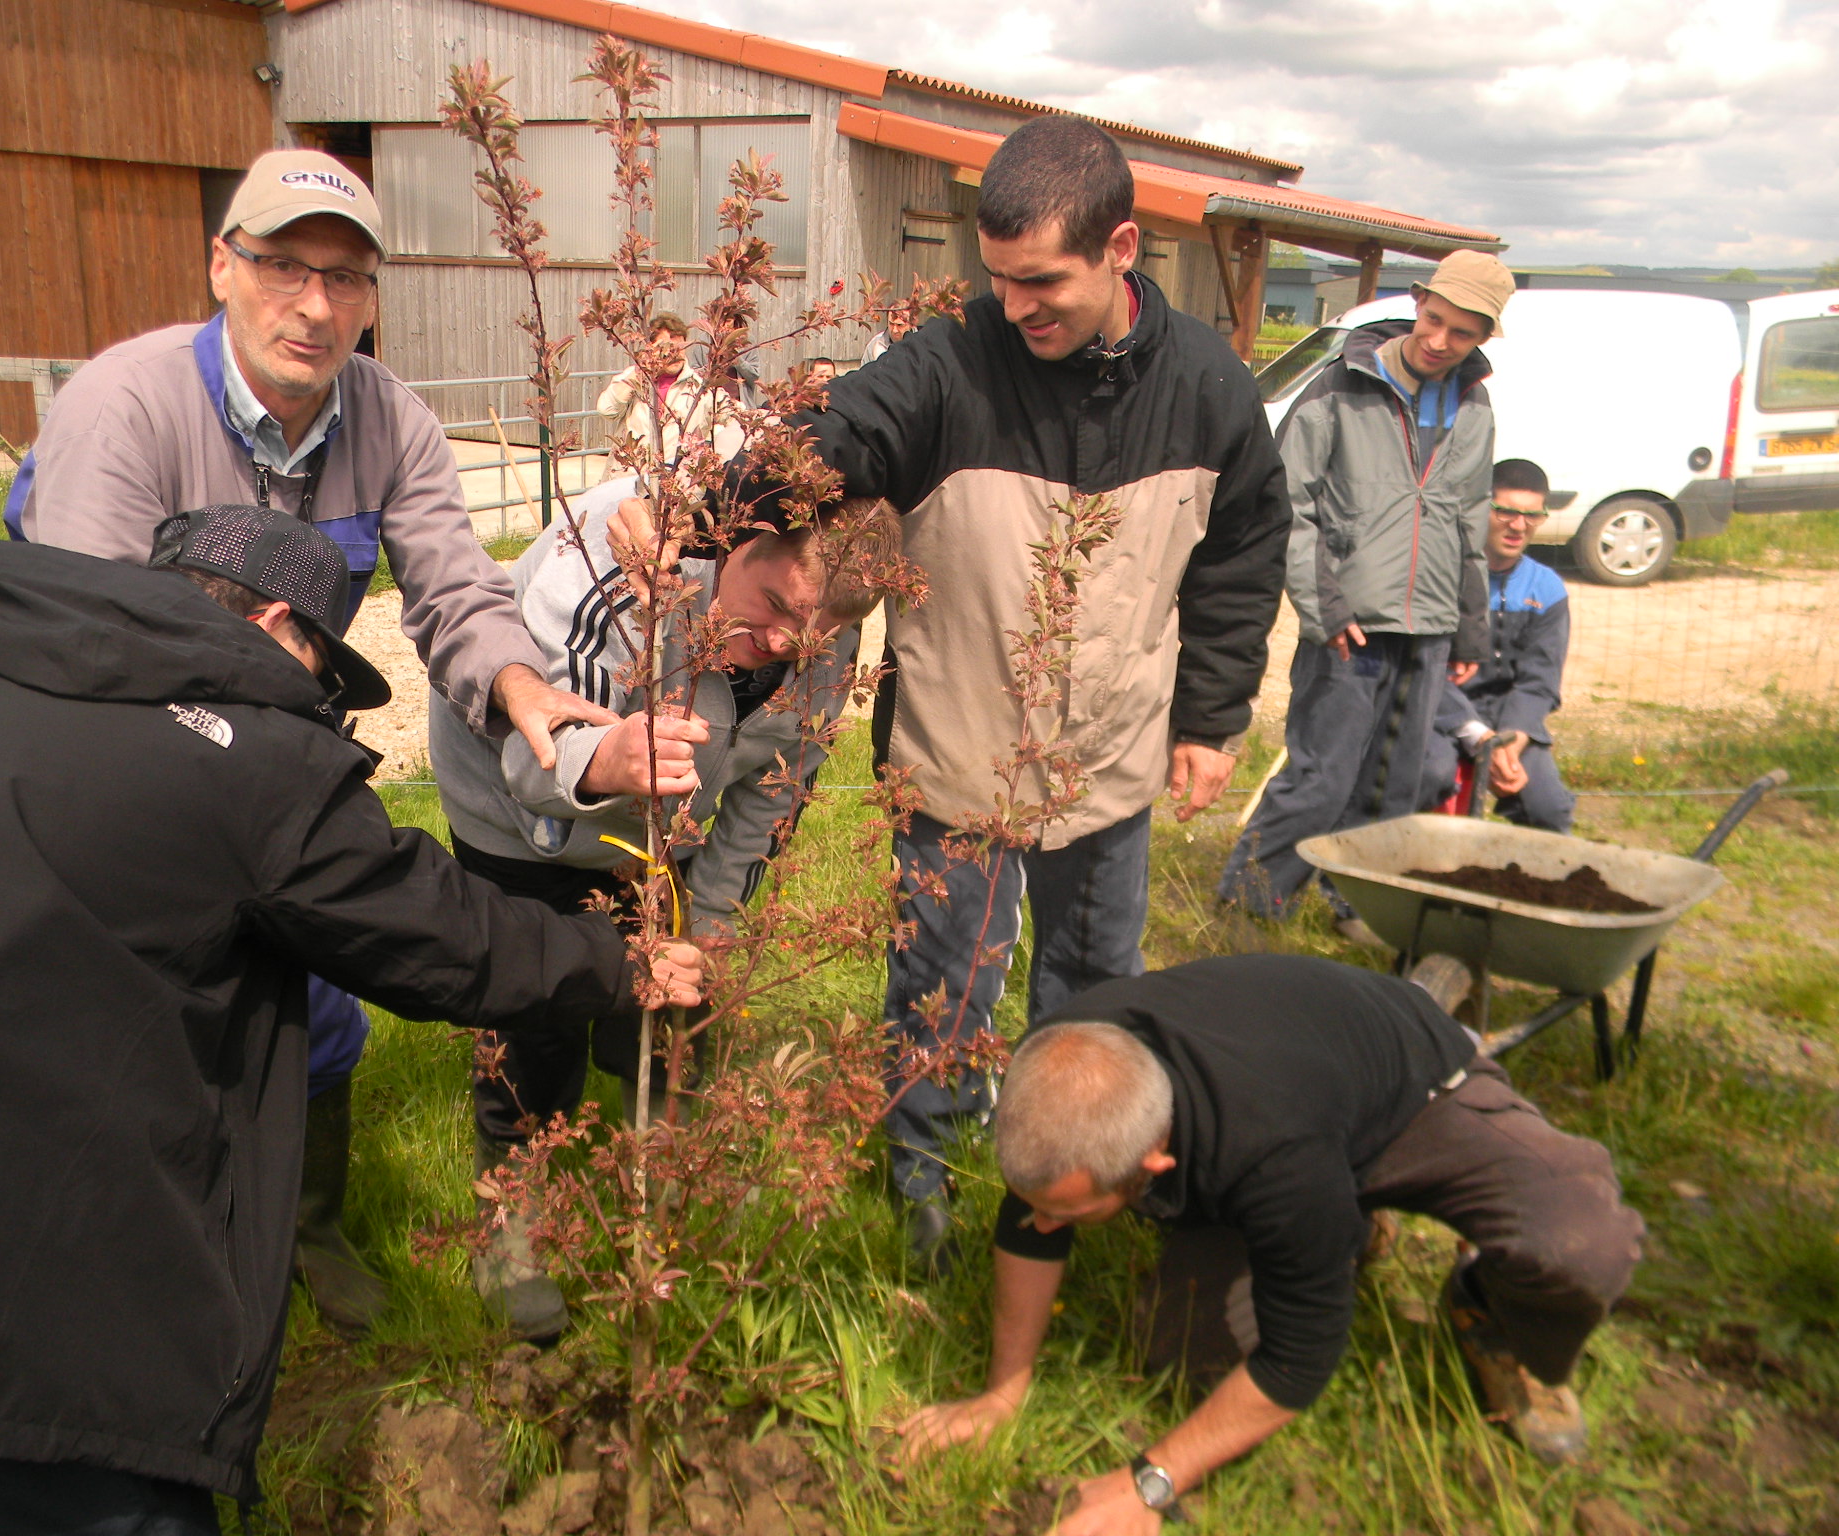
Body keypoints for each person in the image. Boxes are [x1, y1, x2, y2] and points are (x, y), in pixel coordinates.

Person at [0, 507, 702, 1535]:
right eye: (319, 676)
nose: (312, 708)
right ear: (277, 625)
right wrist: (625, 960)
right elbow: (450, 940)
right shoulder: (250, 764)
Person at [621, 117, 1289, 1268]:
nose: (1017, 307)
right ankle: (922, 1170)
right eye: (998, 281)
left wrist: (1211, 721)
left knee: (1093, 985)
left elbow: (1238, 562)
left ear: (1120, 247)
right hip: (956, 752)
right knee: (945, 981)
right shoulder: (947, 364)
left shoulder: (1209, 389)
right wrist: (712, 511)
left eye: (1042, 283)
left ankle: (1069, 1172)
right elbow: (833, 440)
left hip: (1112, 757)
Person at [2, 148, 615, 1332]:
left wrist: (522, 689)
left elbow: (453, 586)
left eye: (344, 278)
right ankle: (149, 1254)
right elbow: (82, 640)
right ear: (221, 268)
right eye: (283, 266)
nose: (314, 304)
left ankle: (308, 1229)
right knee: (149, 1013)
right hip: (117, 751)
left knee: (316, 1002)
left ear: (371, 299)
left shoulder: (387, 420)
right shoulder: (125, 408)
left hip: (273, 757)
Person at [900, 956, 1644, 1533]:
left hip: (1414, 1087)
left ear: (1153, 1164)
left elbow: (1302, 1355)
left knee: (1581, 1245)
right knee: (1186, 1355)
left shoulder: (1268, 1151)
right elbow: (1034, 1215)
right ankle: (1344, 1230)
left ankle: (1485, 1306)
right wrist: (1001, 1393)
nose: (1050, 1225)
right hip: (1295, 1102)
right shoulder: (1063, 1069)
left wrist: (1149, 1482)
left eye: (1073, 1211)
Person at [429, 476, 899, 1338]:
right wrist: (606, 760)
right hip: (516, 816)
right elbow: (529, 755)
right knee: (534, 1019)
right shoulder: (606, 579)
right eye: (772, 605)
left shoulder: (822, 639)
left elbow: (772, 791)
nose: (779, 643)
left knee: (675, 1003)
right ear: (738, 543)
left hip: (664, 827)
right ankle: (515, 1219)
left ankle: (662, 1179)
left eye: (815, 633)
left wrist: (711, 931)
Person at [1219, 250, 1515, 931]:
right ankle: (1249, 901)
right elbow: (1287, 504)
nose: (1440, 342)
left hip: (1430, 624)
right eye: (1434, 320)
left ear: (1484, 338)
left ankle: (1354, 900)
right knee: (1323, 777)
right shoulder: (1340, 388)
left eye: (1462, 333)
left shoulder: (1475, 405)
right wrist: (1324, 606)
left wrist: (1470, 626)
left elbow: (1471, 515)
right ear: (1417, 303)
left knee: (1397, 780)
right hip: (1348, 622)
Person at [1421, 458, 1575, 831]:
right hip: (1439, 715)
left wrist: (1513, 737)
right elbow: (1424, 668)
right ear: (1479, 508)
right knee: (1432, 778)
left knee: (1548, 808)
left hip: (1508, 720)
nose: (1518, 526)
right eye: (1505, 511)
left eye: (1532, 516)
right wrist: (1476, 735)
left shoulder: (1548, 589)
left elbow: (1540, 682)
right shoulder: (1439, 576)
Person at [595, 312, 745, 477]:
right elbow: (607, 410)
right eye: (666, 347)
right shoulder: (634, 379)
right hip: (630, 478)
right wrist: (638, 374)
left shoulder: (701, 386)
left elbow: (736, 417)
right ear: (650, 348)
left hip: (676, 483)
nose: (674, 353)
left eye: (680, 348)